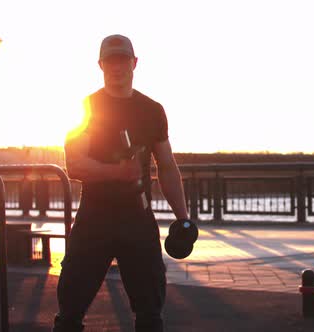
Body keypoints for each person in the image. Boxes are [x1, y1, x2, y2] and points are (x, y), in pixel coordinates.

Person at [54, 34, 189, 332]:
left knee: (151, 311)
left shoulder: (152, 110)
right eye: (111, 61)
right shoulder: (87, 108)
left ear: (134, 63)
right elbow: (74, 163)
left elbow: (166, 166)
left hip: (137, 220)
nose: (117, 67)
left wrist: (184, 218)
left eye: (123, 60)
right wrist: (116, 172)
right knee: (70, 309)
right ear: (100, 65)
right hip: (95, 217)